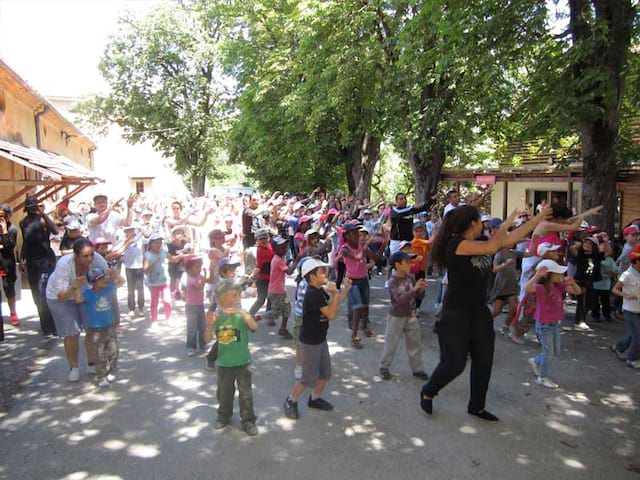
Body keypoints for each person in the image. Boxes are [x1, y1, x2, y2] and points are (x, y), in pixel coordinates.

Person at [420, 205, 550, 421]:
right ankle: (428, 390)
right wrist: (525, 221)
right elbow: (494, 246)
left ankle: (477, 406)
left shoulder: (482, 242)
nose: (483, 224)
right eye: (480, 220)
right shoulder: (457, 245)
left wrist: (529, 222)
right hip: (455, 314)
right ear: (472, 223)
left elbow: (507, 240)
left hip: (479, 312)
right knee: (455, 364)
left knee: (484, 360)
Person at [283, 259, 351, 420]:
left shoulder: (318, 290)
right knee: (307, 378)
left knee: (325, 373)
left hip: (320, 339)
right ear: (312, 276)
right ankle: (290, 401)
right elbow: (331, 314)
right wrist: (335, 293)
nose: (325, 273)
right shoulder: (312, 293)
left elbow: (332, 305)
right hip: (310, 342)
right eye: (321, 271)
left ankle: (315, 398)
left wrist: (345, 290)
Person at [46, 238, 108, 382]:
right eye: (85, 256)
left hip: (84, 294)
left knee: (92, 328)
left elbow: (107, 274)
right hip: (61, 297)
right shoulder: (64, 265)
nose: (90, 258)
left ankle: (92, 363)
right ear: (76, 255)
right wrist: (73, 287)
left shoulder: (97, 259)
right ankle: (73, 367)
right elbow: (61, 297)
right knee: (71, 332)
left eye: (91, 254)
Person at [208, 279, 258, 436]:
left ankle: (248, 420)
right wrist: (209, 325)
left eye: (239, 295)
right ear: (223, 298)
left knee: (246, 396)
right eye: (234, 295)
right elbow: (207, 339)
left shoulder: (242, 316)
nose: (239, 298)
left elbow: (254, 326)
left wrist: (241, 313)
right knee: (224, 394)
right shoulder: (218, 318)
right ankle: (223, 416)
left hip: (243, 363)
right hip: (224, 364)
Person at [525, 260, 582, 388]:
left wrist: (573, 283)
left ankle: (535, 361)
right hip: (544, 325)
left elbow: (577, 292)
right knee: (548, 352)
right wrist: (538, 275)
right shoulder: (540, 288)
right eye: (557, 273)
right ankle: (542, 377)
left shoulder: (558, 286)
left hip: (554, 324)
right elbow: (528, 288)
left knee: (555, 351)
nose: (560, 275)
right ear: (548, 275)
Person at [379, 251, 429, 381]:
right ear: (397, 265)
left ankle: (417, 369)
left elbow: (418, 297)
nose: (410, 264)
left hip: (411, 315)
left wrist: (421, 290)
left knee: (415, 343)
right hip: (397, 316)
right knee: (391, 343)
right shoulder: (392, 281)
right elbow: (399, 301)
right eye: (407, 262)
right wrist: (414, 289)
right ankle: (384, 367)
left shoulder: (410, 277)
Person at [74, 266, 124, 387]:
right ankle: (101, 375)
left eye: (103, 277)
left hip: (109, 327)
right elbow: (78, 299)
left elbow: (122, 282)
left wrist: (114, 273)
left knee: (114, 351)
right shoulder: (89, 293)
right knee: (99, 354)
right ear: (93, 282)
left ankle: (112, 370)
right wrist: (76, 287)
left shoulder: (109, 289)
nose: (103, 280)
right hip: (95, 330)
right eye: (99, 279)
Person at [20, 196, 58, 336]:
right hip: (31, 262)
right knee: (36, 295)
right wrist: (22, 259)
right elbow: (25, 242)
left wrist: (43, 214)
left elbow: (55, 231)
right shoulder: (23, 222)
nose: (32, 210)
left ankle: (52, 325)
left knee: (44, 293)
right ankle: (45, 325)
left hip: (45, 261)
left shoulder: (42, 220)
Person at [611, 245, 640, 369]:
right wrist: (625, 295)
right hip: (630, 310)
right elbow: (615, 289)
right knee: (638, 337)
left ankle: (618, 346)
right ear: (637, 261)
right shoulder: (627, 275)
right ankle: (632, 358)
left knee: (632, 334)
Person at [267, 236, 295, 339]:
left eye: (285, 247)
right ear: (275, 249)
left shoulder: (279, 259)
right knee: (276, 313)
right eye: (281, 248)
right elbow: (289, 272)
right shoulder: (278, 260)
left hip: (279, 291)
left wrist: (287, 263)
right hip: (277, 291)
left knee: (286, 309)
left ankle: (283, 328)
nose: (284, 249)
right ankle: (258, 317)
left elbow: (283, 268)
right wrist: (298, 260)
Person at [143, 232, 172, 327]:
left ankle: (168, 318)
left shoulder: (163, 252)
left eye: (160, 243)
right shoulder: (147, 255)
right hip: (153, 283)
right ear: (151, 244)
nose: (158, 245)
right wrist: (153, 263)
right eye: (156, 243)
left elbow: (173, 259)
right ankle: (154, 320)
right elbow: (145, 270)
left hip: (165, 281)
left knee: (167, 301)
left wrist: (183, 256)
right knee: (154, 302)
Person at [181, 254, 207, 356]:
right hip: (191, 306)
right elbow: (199, 286)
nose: (199, 269)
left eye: (200, 266)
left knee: (202, 326)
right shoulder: (188, 278)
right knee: (192, 328)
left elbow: (207, 281)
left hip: (200, 304)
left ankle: (202, 344)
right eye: (197, 267)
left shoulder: (199, 276)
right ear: (189, 268)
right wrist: (204, 278)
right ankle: (190, 347)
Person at [0, 203, 19, 326]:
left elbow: (9, 246)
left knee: (8, 288)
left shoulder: (12, 229)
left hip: (6, 263)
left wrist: (5, 231)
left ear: (8, 216)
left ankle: (13, 312)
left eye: (2, 216)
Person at [249, 229, 273, 320]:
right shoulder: (260, 250)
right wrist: (252, 276)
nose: (263, 240)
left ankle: (269, 317)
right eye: (261, 239)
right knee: (261, 299)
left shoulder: (270, 246)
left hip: (271, 277)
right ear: (257, 240)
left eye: (265, 238)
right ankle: (250, 314)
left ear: (268, 238)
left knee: (270, 298)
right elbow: (259, 266)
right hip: (262, 278)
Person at [122, 225, 145, 317]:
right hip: (129, 267)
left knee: (140, 288)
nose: (130, 231)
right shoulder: (123, 241)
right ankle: (131, 308)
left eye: (132, 229)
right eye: (128, 230)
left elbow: (147, 236)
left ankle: (141, 308)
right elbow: (122, 248)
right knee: (130, 289)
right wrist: (128, 240)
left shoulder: (140, 239)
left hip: (139, 266)